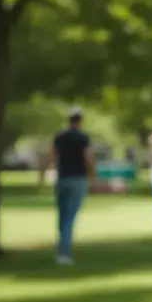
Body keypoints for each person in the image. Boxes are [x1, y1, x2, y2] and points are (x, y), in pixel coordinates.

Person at [50, 107, 95, 265]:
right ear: (80, 120)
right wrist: (92, 174)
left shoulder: (60, 137)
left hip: (62, 178)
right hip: (77, 178)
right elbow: (88, 157)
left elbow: (52, 156)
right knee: (70, 217)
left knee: (62, 216)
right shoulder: (83, 138)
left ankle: (61, 248)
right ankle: (64, 252)